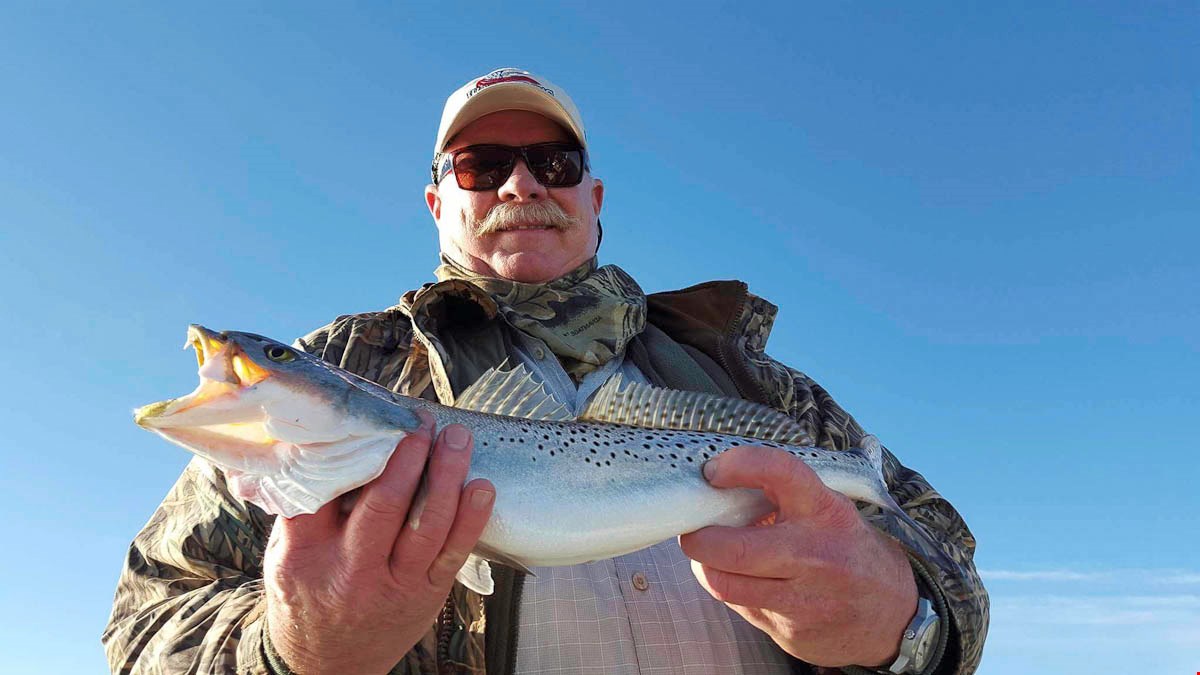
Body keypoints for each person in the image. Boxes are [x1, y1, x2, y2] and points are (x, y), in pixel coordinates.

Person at [104, 67, 988, 675]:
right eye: (482, 166)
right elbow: (142, 626)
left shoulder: (758, 385)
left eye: (554, 164)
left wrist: (901, 619)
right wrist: (292, 649)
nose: (521, 186)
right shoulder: (345, 368)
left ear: (593, 199)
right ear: (437, 200)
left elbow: (949, 556)